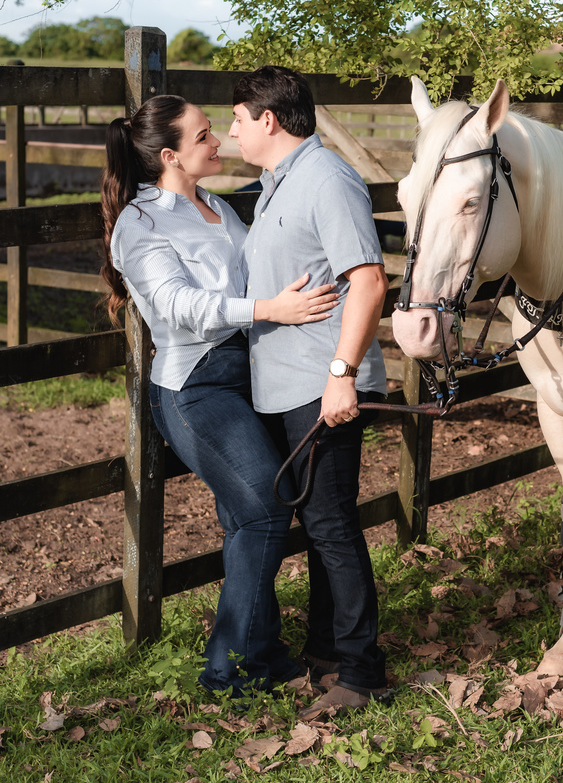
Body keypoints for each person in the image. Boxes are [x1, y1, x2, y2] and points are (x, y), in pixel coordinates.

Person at [99, 93, 340, 696]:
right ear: (169, 155)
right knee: (264, 504)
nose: (218, 141)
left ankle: (261, 655)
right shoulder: (141, 223)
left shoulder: (217, 207)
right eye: (204, 135)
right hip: (194, 384)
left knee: (247, 515)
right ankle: (229, 667)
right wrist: (269, 308)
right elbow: (177, 308)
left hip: (249, 371)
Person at [229, 66, 391, 717]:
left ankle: (362, 670)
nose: (232, 130)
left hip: (320, 386)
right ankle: (326, 651)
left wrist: (341, 372)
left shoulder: (327, 180)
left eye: (237, 118)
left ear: (268, 119)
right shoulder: (276, 185)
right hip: (284, 385)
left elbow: (370, 281)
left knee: (331, 527)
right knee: (320, 527)